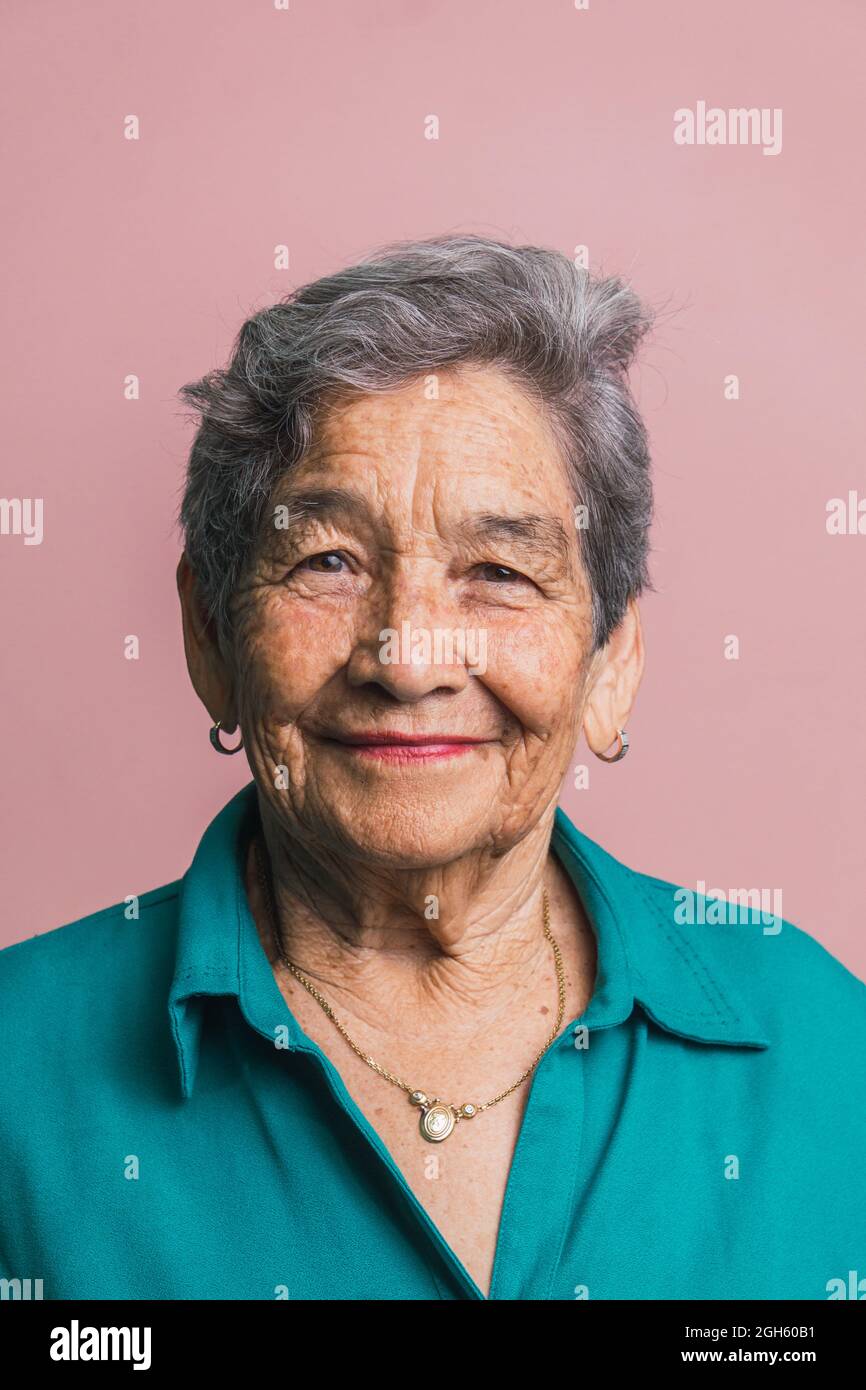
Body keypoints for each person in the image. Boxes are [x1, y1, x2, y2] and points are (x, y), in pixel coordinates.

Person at [1, 234, 863, 1301]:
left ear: (610, 660)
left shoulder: (825, 1053)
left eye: (499, 571)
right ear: (210, 636)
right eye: (328, 561)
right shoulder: (18, 1079)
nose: (406, 658)